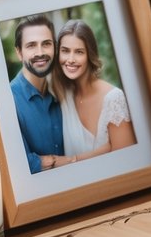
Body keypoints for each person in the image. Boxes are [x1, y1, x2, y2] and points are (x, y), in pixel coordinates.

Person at [50, 19, 136, 161]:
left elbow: (126, 160)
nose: (70, 59)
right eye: (65, 51)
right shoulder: (64, 94)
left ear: (90, 55)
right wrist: (107, 148)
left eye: (79, 52)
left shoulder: (114, 98)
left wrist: (70, 160)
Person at [9, 15, 65, 174]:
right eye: (31, 45)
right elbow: (20, 162)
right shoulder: (8, 100)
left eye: (46, 44)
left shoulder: (62, 92)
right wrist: (70, 160)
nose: (40, 52)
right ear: (19, 52)